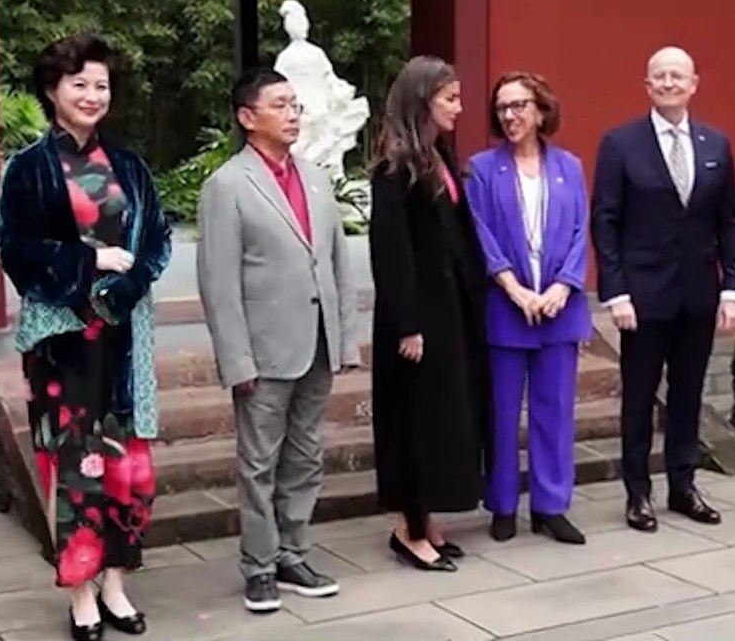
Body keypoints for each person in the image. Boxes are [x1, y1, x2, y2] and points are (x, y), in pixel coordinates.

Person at [0, 33, 171, 641]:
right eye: (80, 85)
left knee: (128, 461)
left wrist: (131, 282)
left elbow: (157, 238)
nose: (93, 95)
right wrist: (87, 263)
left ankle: (116, 581)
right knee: (75, 462)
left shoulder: (129, 164)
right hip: (63, 338)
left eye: (101, 85)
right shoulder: (27, 168)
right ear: (52, 90)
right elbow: (13, 247)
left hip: (124, 333)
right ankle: (81, 591)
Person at [196, 68, 361, 613]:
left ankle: (294, 553)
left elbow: (336, 263)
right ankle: (260, 566)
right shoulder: (227, 186)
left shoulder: (315, 178)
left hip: (316, 342)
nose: (293, 114)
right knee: (259, 463)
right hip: (263, 351)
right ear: (248, 117)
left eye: (296, 105)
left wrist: (346, 339)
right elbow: (219, 284)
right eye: (281, 105)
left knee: (306, 455)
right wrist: (235, 359)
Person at [590, 46, 735, 533]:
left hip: (698, 293)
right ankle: (638, 492)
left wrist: (732, 288)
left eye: (678, 75)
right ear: (647, 85)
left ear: (694, 83)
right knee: (639, 396)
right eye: (660, 76)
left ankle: (683, 485)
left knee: (688, 393)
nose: (669, 82)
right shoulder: (621, 144)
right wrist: (615, 292)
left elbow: (729, 220)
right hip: (642, 297)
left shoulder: (715, 144)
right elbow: (605, 221)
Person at [368, 55, 491, 572]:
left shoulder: (436, 155)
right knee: (415, 422)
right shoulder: (395, 166)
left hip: (450, 310)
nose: (459, 108)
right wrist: (408, 324)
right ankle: (409, 529)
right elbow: (390, 250)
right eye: (450, 98)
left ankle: (428, 520)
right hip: (418, 319)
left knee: (443, 418)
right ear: (422, 100)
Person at [464, 72, 590, 545]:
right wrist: (513, 288)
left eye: (519, 105)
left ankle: (550, 505)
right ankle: (502, 504)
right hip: (506, 307)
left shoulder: (569, 167)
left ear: (541, 110)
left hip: (559, 309)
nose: (510, 115)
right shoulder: (481, 169)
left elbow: (580, 231)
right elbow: (479, 233)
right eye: (502, 108)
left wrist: (563, 286)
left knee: (554, 412)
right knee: (501, 413)